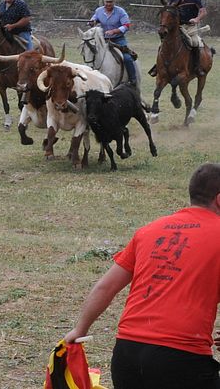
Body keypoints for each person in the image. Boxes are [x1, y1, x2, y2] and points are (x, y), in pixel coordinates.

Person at [63, 163, 220, 389]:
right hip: (182, 359)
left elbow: (105, 287)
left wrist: (80, 329)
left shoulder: (149, 231)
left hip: (126, 355)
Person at [157, 0, 209, 77]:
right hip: (178, 26)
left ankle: (197, 67)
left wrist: (197, 19)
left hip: (190, 26)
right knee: (164, 44)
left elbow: (203, 12)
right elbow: (169, 9)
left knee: (194, 42)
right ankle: (158, 66)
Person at [88, 0, 137, 84]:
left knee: (127, 58)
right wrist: (91, 22)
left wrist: (114, 31)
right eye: (106, 2)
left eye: (110, 2)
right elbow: (93, 20)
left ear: (114, 2)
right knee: (91, 55)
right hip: (103, 40)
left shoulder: (120, 12)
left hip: (118, 40)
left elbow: (126, 25)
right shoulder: (99, 11)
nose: (108, 4)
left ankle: (133, 79)